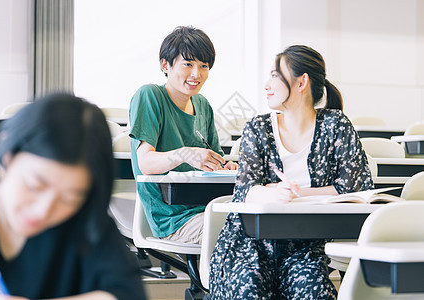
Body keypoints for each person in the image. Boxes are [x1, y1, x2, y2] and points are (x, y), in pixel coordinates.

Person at [207, 45, 374, 299]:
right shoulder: (258, 127)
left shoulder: (335, 125)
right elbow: (244, 192)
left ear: (301, 82)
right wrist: (269, 194)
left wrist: (297, 195)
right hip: (249, 245)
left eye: (275, 75)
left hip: (304, 248)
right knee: (247, 290)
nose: (267, 84)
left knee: (314, 293)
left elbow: (357, 188)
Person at [0, 94, 146, 300]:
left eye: (70, 198)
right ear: (8, 157)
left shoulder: (86, 219)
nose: (44, 210)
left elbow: (126, 293)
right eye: (35, 185)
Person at [129, 25, 237, 244]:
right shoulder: (150, 96)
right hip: (174, 218)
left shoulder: (202, 105)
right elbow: (146, 163)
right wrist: (186, 154)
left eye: (203, 66)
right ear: (165, 65)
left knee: (265, 228)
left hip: (210, 207)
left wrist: (225, 166)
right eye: (188, 64)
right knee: (244, 234)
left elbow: (215, 162)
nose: (196, 74)